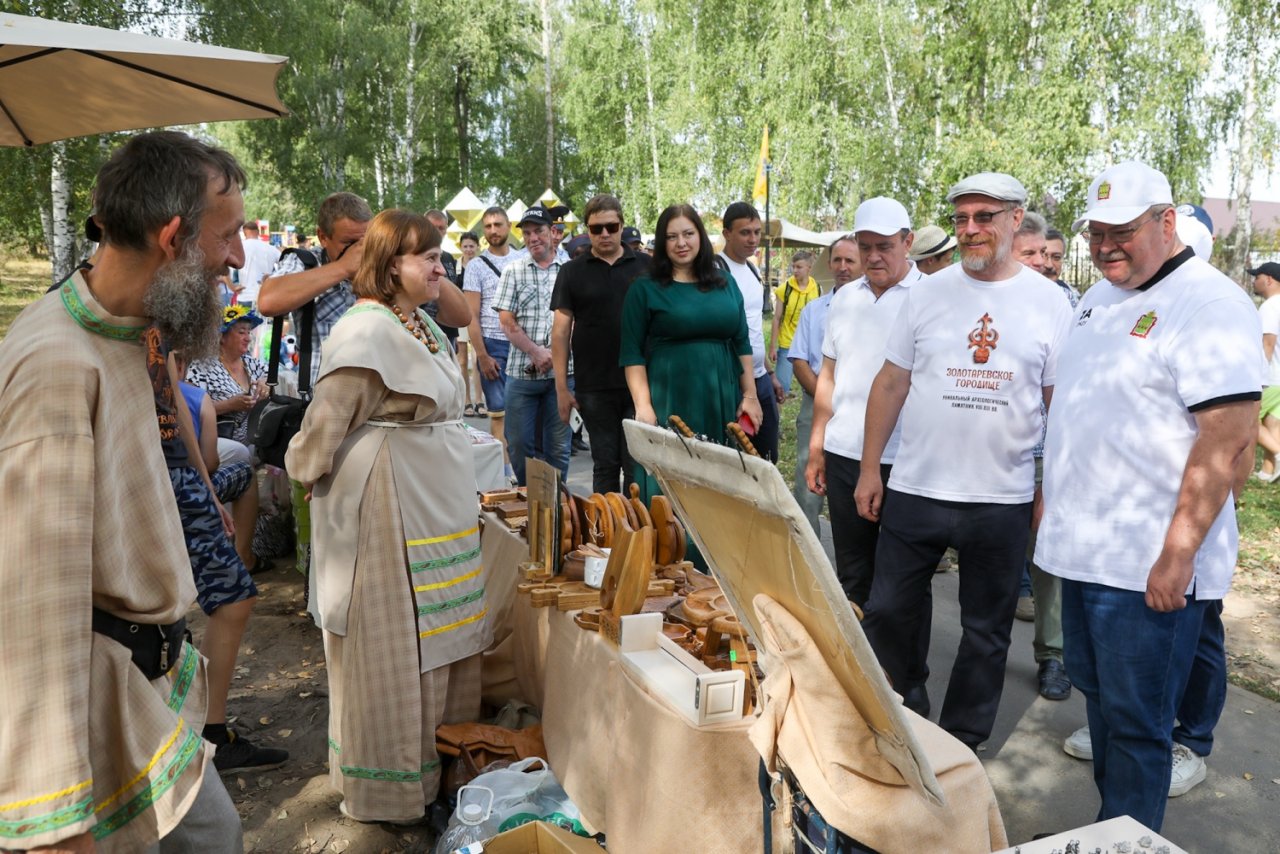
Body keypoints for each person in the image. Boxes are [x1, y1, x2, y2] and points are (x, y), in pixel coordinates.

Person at [0, 130, 247, 852]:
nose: (236, 258)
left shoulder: (123, 328)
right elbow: (33, 611)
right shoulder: (55, 365)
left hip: (140, 678)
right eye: (226, 236)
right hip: (88, 698)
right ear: (173, 237)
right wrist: (54, 819)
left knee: (215, 834)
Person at [1035, 161, 1262, 830]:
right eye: (1095, 232)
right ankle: (1116, 833)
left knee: (1137, 725)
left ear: (1166, 222)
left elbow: (1226, 444)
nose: (1105, 246)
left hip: (1145, 565)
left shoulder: (1211, 303)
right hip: (1086, 552)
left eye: (1121, 231)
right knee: (1103, 705)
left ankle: (1130, 838)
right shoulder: (1098, 297)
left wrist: (1177, 555)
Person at [855, 173, 1072, 747]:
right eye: (961, 219)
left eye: (984, 217)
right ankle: (901, 714)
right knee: (887, 611)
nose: (970, 229)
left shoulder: (1050, 302)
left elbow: (1061, 405)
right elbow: (891, 382)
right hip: (919, 487)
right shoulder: (928, 291)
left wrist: (1054, 488)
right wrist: (872, 467)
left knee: (986, 631)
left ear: (1016, 220)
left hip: (1000, 499)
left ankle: (963, 740)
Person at [285, 210, 486, 825]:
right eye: (425, 257)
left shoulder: (415, 319)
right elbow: (325, 425)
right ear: (388, 265)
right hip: (387, 504)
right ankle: (390, 789)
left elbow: (462, 313)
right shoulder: (364, 330)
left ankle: (435, 765)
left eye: (439, 255)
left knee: (438, 634)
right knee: (395, 640)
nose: (438, 267)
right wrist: (303, 468)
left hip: (430, 494)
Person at [620, 203, 761, 501]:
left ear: (701, 236)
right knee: (673, 484)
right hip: (670, 397)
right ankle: (677, 547)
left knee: (720, 482)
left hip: (721, 397)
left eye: (688, 233)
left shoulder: (725, 283)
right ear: (662, 242)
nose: (681, 243)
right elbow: (632, 353)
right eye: (672, 237)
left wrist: (750, 396)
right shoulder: (644, 289)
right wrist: (643, 407)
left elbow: (741, 342)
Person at [1008, 209, 1073, 702]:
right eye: (1028, 254)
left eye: (1045, 255)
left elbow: (1069, 397)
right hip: (992, 454)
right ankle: (982, 647)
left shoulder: (1070, 306)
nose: (1039, 263)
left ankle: (1052, 656)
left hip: (1044, 454)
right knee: (994, 554)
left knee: (1045, 560)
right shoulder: (984, 300)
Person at [551, 194, 651, 494]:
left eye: (611, 226)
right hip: (593, 386)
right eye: (597, 229)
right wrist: (561, 389)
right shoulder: (571, 271)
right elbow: (560, 333)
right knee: (605, 464)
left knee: (639, 466)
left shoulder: (647, 267)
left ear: (622, 226)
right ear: (587, 230)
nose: (605, 234)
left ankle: (641, 536)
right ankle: (606, 537)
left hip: (641, 386)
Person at [258, 192, 379, 387]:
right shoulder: (307, 262)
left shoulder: (381, 265)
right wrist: (342, 268)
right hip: (322, 402)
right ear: (323, 237)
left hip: (376, 403)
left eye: (365, 242)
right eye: (349, 243)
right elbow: (268, 302)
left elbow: (447, 316)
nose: (359, 251)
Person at [494, 203, 572, 484]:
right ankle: (530, 494)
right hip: (521, 372)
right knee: (517, 442)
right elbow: (506, 320)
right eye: (526, 233)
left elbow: (582, 319)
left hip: (564, 375)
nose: (532, 238)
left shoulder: (571, 269)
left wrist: (557, 353)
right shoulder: (512, 271)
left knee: (559, 448)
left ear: (553, 232)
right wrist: (536, 351)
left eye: (538, 231)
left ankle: (557, 505)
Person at [790, 235, 861, 534]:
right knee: (808, 489)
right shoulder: (814, 310)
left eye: (850, 260)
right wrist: (824, 395)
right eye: (837, 260)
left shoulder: (872, 308)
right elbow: (799, 360)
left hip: (860, 410)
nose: (843, 267)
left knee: (854, 490)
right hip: (815, 404)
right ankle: (810, 564)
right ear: (829, 263)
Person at [718, 201, 785, 461]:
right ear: (727, 233)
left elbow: (755, 327)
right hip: (733, 381)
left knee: (768, 458)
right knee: (737, 459)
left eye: (757, 232)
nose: (753, 239)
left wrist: (769, 372)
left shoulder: (752, 268)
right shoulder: (716, 269)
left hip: (761, 378)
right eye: (745, 232)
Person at [463, 206, 521, 457]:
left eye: (498, 224)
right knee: (499, 414)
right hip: (493, 345)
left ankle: (525, 477)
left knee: (525, 414)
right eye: (488, 226)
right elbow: (471, 316)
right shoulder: (476, 266)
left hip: (524, 346)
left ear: (509, 226)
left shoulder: (523, 259)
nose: (493, 230)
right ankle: (504, 474)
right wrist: (482, 355)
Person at [187, 304, 269, 450]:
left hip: (256, 440)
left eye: (249, 332)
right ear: (221, 337)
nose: (248, 338)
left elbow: (272, 378)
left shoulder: (252, 364)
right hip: (217, 442)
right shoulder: (202, 366)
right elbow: (191, 409)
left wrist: (265, 383)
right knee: (241, 452)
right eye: (242, 332)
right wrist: (230, 405)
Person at [770, 250, 821, 393]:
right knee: (781, 388)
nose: (795, 270)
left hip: (809, 346)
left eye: (799, 267)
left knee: (813, 388)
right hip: (787, 344)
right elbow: (777, 318)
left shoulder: (817, 289)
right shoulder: (784, 289)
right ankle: (777, 415)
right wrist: (773, 347)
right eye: (793, 266)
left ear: (809, 268)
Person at [1251, 262, 1280, 481]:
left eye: (1256, 276)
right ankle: (1268, 472)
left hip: (1270, 376)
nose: (1254, 281)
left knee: (1251, 421)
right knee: (1273, 423)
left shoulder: (1270, 307)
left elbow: (1267, 343)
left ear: (1269, 279)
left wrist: (1257, 376)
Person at [237, 220, 281, 311]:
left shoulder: (240, 247)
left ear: (244, 233)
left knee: (244, 325)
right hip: (265, 296)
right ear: (258, 232)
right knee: (265, 325)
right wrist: (274, 276)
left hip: (245, 296)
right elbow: (286, 264)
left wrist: (232, 287)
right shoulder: (271, 248)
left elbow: (224, 271)